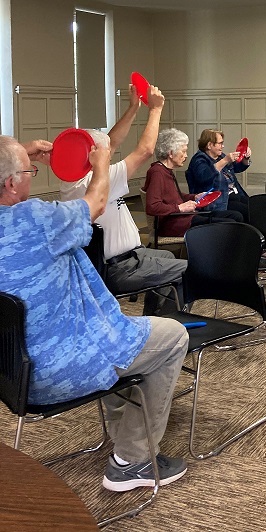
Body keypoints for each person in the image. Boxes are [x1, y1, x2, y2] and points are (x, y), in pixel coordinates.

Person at [0, 135, 189, 491]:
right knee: (173, 336)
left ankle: (123, 431)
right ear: (11, 183)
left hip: (10, 371)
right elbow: (96, 202)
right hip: (59, 368)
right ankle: (133, 461)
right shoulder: (36, 220)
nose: (32, 173)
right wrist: (100, 165)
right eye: (28, 170)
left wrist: (16, 155)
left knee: (124, 337)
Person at [60, 84, 187, 315]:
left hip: (127, 258)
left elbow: (111, 140)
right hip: (121, 268)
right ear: (93, 155)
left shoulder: (76, 181)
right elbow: (146, 150)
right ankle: (170, 323)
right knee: (187, 270)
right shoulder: (99, 181)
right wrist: (155, 109)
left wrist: (133, 107)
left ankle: (153, 319)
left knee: (167, 256)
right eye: (105, 152)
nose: (110, 152)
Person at [143, 128, 241, 237]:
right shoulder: (157, 172)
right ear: (171, 153)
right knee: (230, 223)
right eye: (183, 151)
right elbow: (152, 206)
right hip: (176, 224)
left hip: (185, 218)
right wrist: (180, 208)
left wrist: (194, 197)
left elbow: (172, 196)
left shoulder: (165, 171)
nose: (186, 156)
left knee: (235, 216)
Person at [185, 129, 249, 222]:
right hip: (218, 203)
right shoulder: (199, 159)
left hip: (232, 195)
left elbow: (237, 168)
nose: (223, 146)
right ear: (209, 145)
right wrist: (225, 160)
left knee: (255, 206)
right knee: (245, 211)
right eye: (220, 143)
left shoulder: (220, 156)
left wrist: (245, 158)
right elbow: (204, 176)